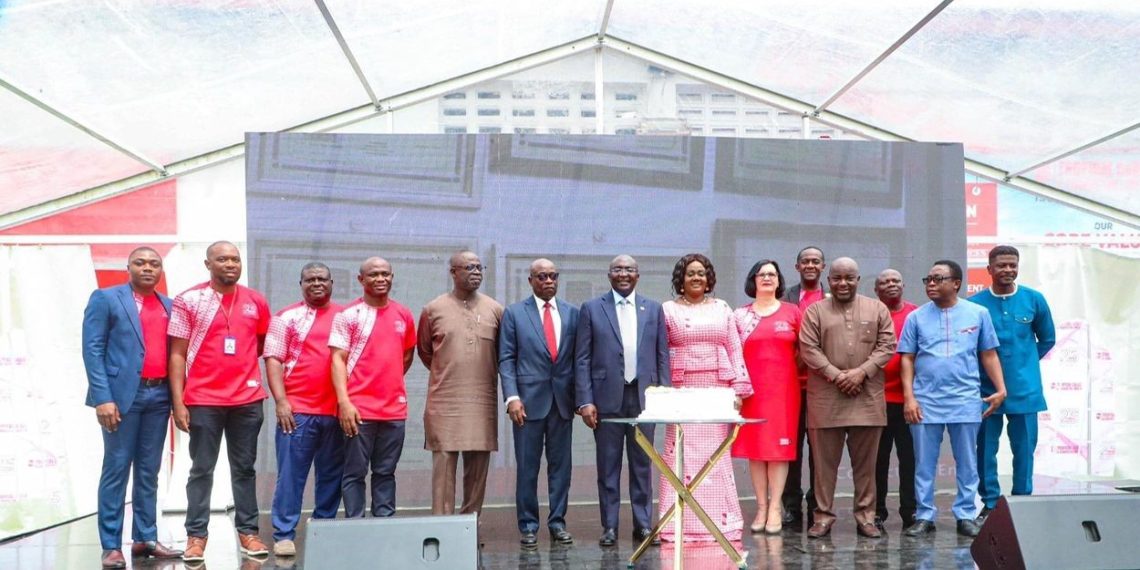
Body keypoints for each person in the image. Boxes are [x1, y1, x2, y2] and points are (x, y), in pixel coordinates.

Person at [168, 241, 271, 561]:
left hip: (247, 400)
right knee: (201, 469)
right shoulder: (189, 300)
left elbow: (258, 344)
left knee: (244, 468)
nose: (230, 264)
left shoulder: (255, 301)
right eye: (222, 259)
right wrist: (178, 403)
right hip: (202, 401)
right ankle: (196, 536)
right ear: (208, 264)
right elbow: (177, 354)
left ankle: (249, 533)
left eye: (235, 259)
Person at [82, 247, 182, 569]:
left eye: (154, 264)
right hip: (121, 398)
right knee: (116, 468)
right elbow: (92, 349)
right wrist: (102, 398)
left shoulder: (169, 305)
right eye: (141, 263)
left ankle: (145, 538)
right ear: (129, 267)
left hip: (158, 396)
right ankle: (111, 545)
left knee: (149, 471)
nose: (148, 268)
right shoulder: (107, 299)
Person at [900, 260, 1007, 538]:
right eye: (928, 279)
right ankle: (924, 515)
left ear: (956, 283)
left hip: (965, 399)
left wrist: (1001, 388)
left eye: (937, 279)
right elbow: (907, 359)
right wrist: (909, 398)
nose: (930, 284)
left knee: (968, 462)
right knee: (923, 463)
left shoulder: (978, 313)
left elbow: (988, 354)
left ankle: (965, 515)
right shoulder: (916, 317)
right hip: (925, 401)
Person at [575, 254, 671, 547]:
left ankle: (643, 525)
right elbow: (582, 359)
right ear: (609, 275)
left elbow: (662, 356)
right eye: (618, 269)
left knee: (642, 465)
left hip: (643, 399)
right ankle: (610, 527)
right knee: (608, 466)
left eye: (629, 269)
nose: (624, 273)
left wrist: (664, 396)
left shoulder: (653, 309)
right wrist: (585, 401)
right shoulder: (592, 309)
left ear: (638, 275)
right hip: (606, 400)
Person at [657, 253, 752, 542]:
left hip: (716, 388)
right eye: (690, 273)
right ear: (681, 280)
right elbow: (660, 353)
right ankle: (676, 525)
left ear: (709, 279)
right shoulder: (667, 309)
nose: (696, 277)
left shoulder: (723, 308)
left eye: (701, 273)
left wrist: (739, 389)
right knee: (680, 456)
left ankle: (719, 525)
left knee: (715, 458)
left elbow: (734, 348)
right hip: (681, 390)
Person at [799, 257, 895, 539]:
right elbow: (809, 349)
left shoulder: (877, 309)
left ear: (858, 279)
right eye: (837, 278)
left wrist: (860, 374)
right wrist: (839, 376)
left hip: (866, 398)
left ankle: (866, 517)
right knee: (823, 466)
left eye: (849, 278)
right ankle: (823, 516)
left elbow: (887, 345)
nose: (843, 283)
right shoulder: (815, 311)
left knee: (867, 466)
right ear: (828, 280)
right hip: (826, 399)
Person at [263, 262, 344, 557]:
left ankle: (324, 526)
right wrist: (282, 401)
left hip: (336, 413)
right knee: (290, 476)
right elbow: (273, 359)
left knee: (332, 475)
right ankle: (284, 534)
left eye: (322, 279)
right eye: (310, 279)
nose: (317, 283)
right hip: (297, 412)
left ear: (332, 283)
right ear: (301, 284)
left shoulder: (345, 317)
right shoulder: (286, 317)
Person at [969, 245, 1055, 522]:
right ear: (989, 269)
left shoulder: (1034, 299)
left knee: (1024, 448)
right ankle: (990, 504)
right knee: (985, 450)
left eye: (1012, 265)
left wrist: (1026, 364)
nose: (1008, 270)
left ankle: (1021, 501)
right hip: (986, 391)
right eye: (1002, 265)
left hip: (1025, 390)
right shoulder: (975, 304)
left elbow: (1048, 338)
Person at [498, 258, 579, 548]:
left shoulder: (573, 313)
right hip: (527, 404)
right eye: (541, 276)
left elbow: (578, 361)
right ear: (530, 281)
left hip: (562, 403)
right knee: (527, 468)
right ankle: (529, 526)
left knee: (561, 468)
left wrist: (581, 401)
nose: (548, 281)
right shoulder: (515, 313)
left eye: (553, 276)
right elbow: (506, 359)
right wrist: (512, 398)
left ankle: (557, 523)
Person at [331, 257, 417, 520]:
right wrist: (345, 402)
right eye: (374, 275)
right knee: (355, 473)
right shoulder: (348, 315)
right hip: (358, 411)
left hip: (393, 411)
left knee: (385, 472)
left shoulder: (403, 314)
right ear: (361, 280)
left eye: (385, 274)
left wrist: (386, 383)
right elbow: (337, 359)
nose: (381, 279)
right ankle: (355, 526)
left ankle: (384, 524)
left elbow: (406, 356)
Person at [418, 251, 503, 515]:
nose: (476, 272)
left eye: (480, 267)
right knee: (443, 464)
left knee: (478, 467)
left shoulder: (496, 309)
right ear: (453, 272)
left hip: (481, 401)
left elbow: (503, 354)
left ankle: (470, 527)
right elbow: (425, 352)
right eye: (469, 267)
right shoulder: (433, 309)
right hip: (445, 400)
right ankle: (442, 528)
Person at [731, 259, 802, 535]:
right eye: (762, 274)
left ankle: (775, 508)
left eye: (773, 274)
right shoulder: (740, 315)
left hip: (784, 393)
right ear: (753, 280)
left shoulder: (792, 312)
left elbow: (804, 352)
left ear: (779, 280)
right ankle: (761, 506)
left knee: (778, 451)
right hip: (751, 392)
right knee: (756, 452)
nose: (767, 278)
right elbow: (733, 354)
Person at [781, 246, 827, 527]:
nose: (810, 265)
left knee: (821, 450)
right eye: (805, 261)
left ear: (823, 267)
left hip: (823, 386)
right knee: (792, 448)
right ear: (797, 267)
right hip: (790, 386)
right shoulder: (783, 299)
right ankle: (791, 506)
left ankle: (817, 504)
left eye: (815, 261)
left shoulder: (833, 297)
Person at [872, 269, 919, 532]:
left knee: (910, 460)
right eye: (884, 282)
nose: (890, 285)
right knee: (877, 461)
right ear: (876, 290)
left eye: (895, 281)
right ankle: (876, 512)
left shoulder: (917, 314)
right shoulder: (869, 314)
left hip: (910, 401)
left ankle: (911, 513)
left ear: (903, 285)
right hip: (877, 402)